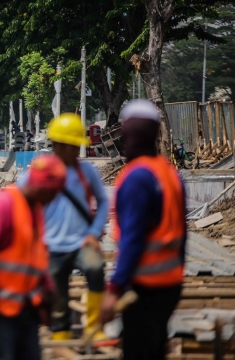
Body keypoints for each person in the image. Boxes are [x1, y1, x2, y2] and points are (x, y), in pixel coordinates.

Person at [101, 100, 186, 360]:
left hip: (143, 286)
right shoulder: (170, 175)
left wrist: (114, 290)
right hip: (170, 284)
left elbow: (133, 241)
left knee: (138, 351)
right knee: (155, 347)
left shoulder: (137, 177)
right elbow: (183, 235)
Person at [19, 113, 108, 340]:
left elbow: (104, 201)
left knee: (96, 269)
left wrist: (94, 233)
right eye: (72, 145)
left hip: (81, 242)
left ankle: (94, 327)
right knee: (58, 296)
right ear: (58, 145)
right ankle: (61, 336)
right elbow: (18, 198)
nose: (77, 150)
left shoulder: (86, 172)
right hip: (51, 246)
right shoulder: (40, 171)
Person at [0, 154, 67, 360]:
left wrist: (47, 288)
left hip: (25, 307)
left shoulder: (36, 210)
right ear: (41, 187)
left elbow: (36, 256)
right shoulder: (4, 205)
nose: (54, 200)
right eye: (53, 194)